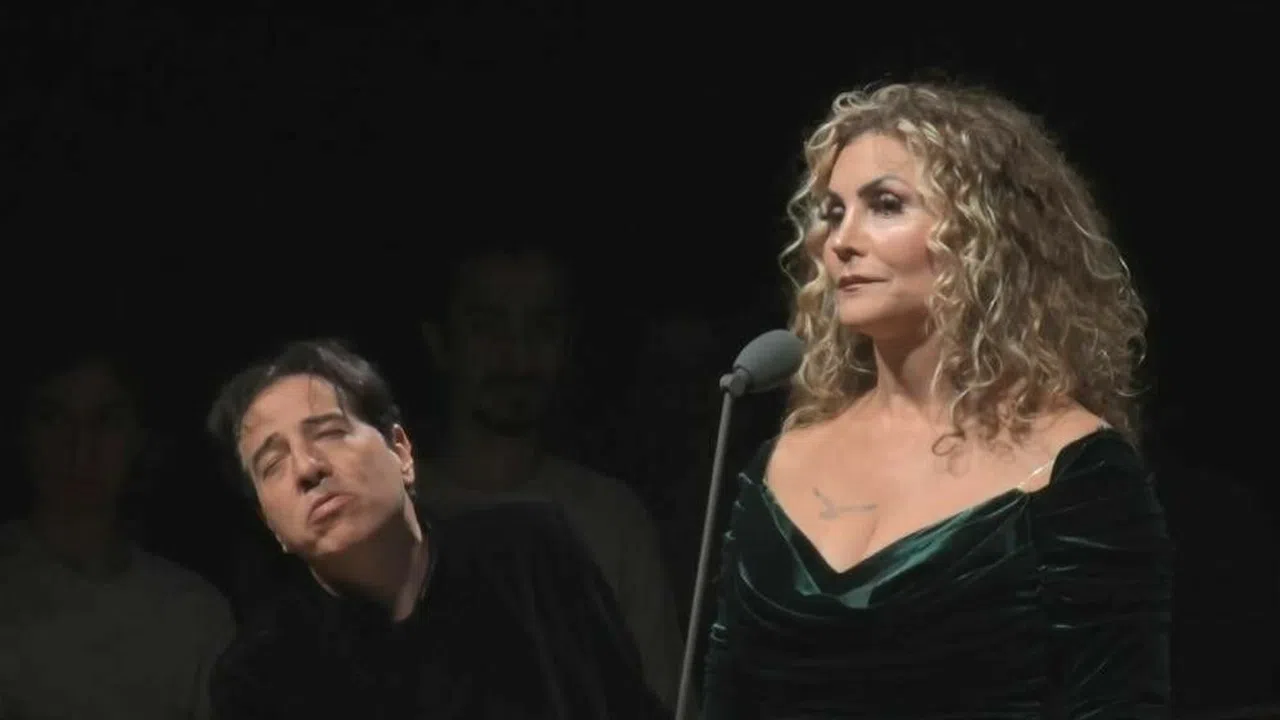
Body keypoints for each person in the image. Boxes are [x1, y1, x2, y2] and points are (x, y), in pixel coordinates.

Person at [701, 82, 1172, 718]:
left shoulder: (1074, 470)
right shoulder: (779, 465)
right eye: (833, 212)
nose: (840, 241)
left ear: (985, 235)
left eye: (885, 205)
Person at [204, 339, 665, 719]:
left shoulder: (531, 549)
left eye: (328, 433)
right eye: (273, 464)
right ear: (271, 524)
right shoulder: (259, 676)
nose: (307, 468)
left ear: (401, 451)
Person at [417, 241, 684, 708]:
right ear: (440, 342)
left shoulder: (614, 518)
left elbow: (666, 700)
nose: (518, 356)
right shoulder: (387, 513)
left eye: (542, 327)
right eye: (488, 326)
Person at [0, 336, 235, 720]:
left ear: (139, 437)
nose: (80, 449)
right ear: (21, 431)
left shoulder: (193, 612)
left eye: (105, 421)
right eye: (53, 418)